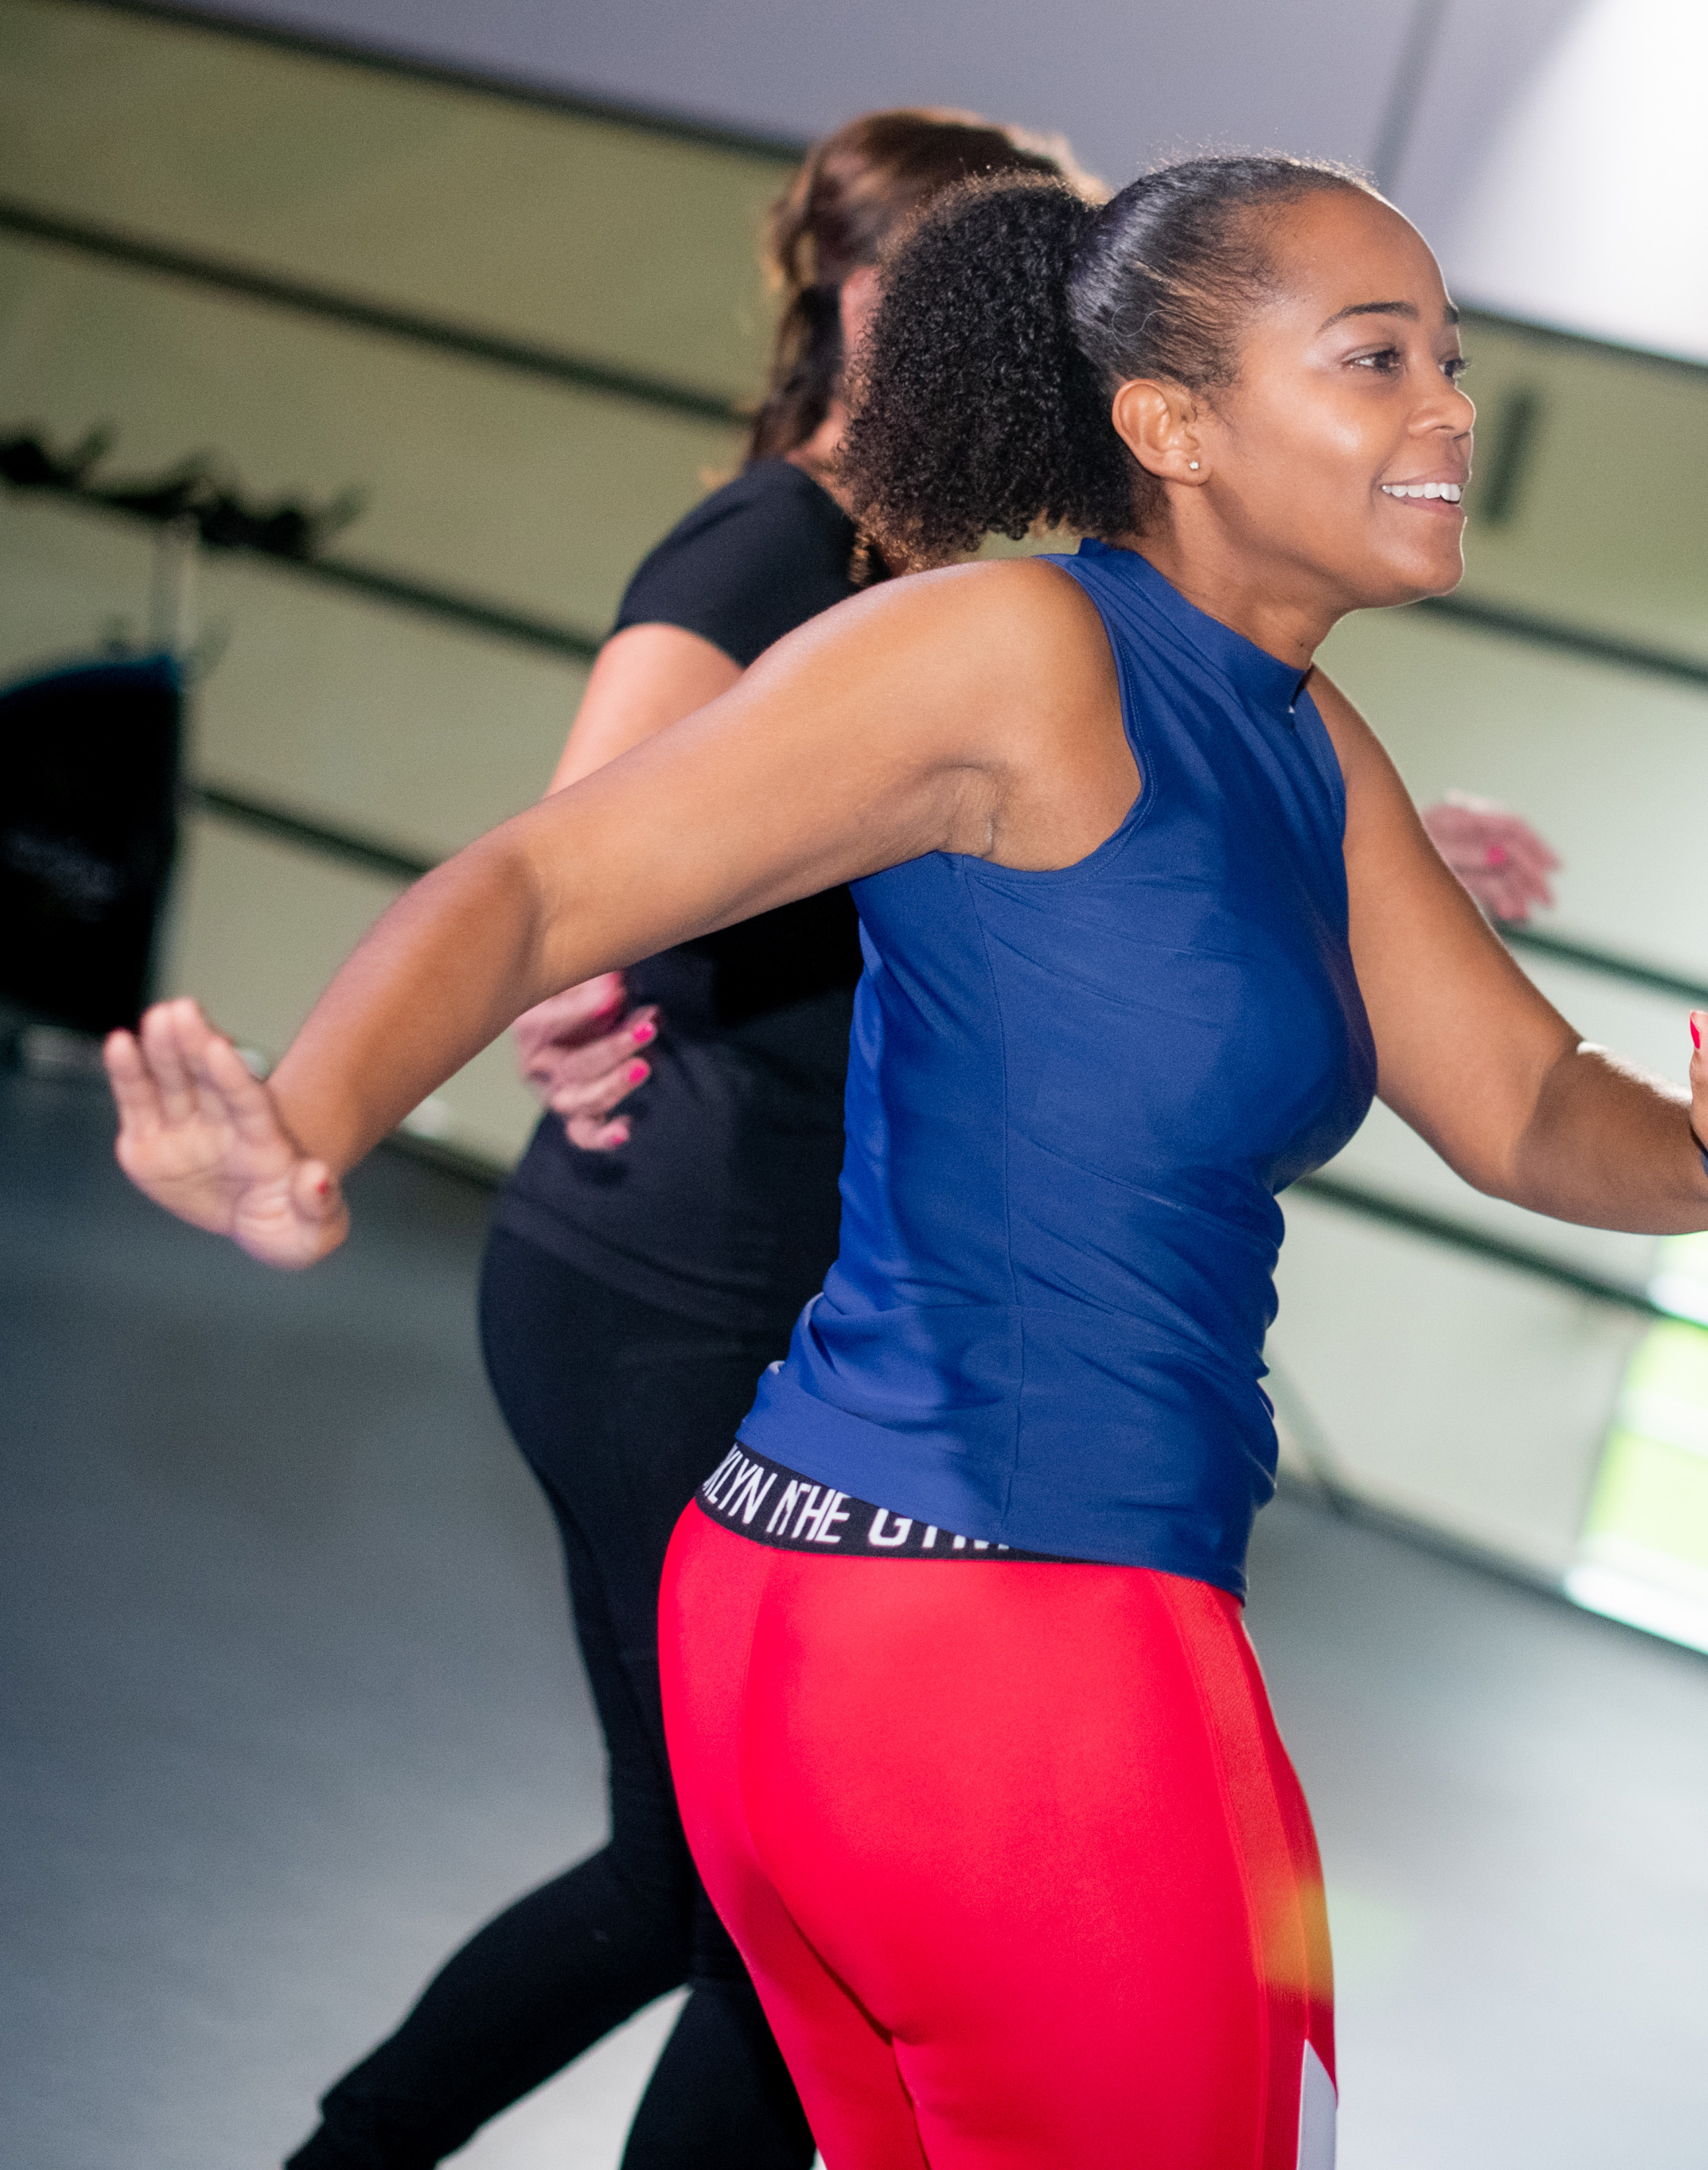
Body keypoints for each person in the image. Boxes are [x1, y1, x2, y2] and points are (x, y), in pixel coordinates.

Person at [106, 154, 1708, 2168]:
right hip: (1015, 1660)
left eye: (1450, 360)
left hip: (863, 1628)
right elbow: (545, 874)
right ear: (1169, 423)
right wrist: (309, 1122)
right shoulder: (1016, 649)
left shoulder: (1307, 744)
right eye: (1377, 358)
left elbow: (1529, 1107)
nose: (1447, 410)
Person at [275, 111, 1099, 2170]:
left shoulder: (925, 588)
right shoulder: (769, 551)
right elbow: (574, 843)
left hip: (745, 1294)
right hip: (663, 1292)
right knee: (767, 1907)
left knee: (713, 1887)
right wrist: (561, 979)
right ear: (871, 307)